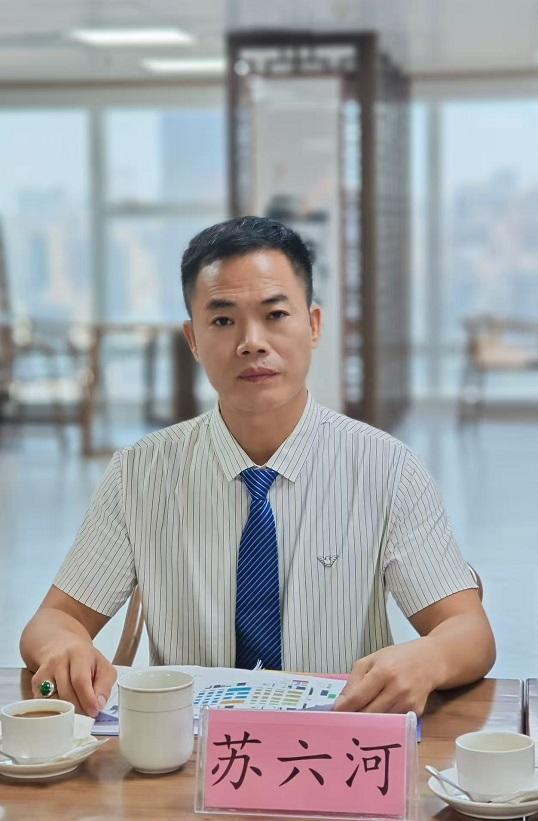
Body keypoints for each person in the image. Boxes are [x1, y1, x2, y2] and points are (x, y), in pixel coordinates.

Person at [20, 216, 495, 718]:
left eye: (275, 315)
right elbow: (53, 620)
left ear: (314, 325)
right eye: (223, 321)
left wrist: (429, 658)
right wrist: (63, 648)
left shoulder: (386, 469)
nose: (252, 342)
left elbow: (469, 630)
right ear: (193, 339)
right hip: (186, 751)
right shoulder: (139, 474)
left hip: (336, 745)